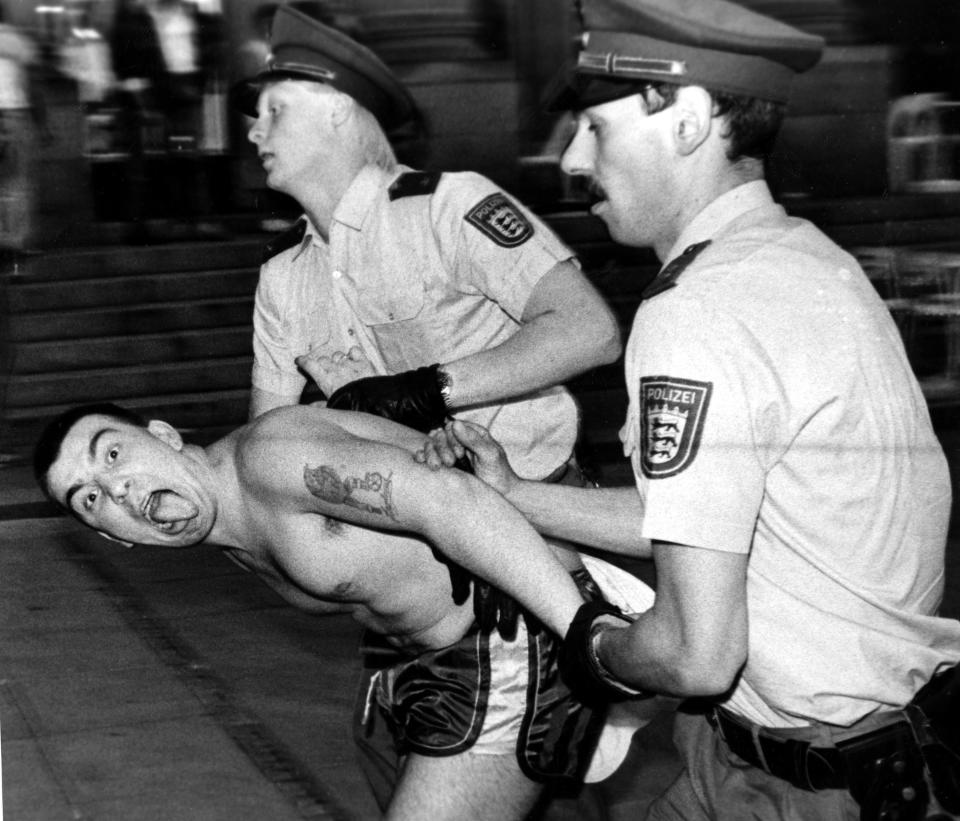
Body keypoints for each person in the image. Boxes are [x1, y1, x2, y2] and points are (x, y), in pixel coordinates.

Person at [419, 1, 960, 819]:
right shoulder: (806, 258)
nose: (570, 159)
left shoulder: (698, 308)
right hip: (795, 750)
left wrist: (590, 644)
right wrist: (512, 497)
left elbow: (694, 654)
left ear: (690, 120)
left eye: (594, 129)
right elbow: (710, 508)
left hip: (802, 786)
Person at [34, 401, 659, 821]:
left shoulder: (266, 460)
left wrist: (580, 628)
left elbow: (447, 497)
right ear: (116, 537)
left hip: (519, 630)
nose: (116, 490)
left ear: (165, 436)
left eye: (112, 455)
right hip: (439, 664)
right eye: (90, 499)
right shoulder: (225, 524)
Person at [231, 4, 620, 490]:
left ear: (336, 109)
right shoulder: (283, 273)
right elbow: (269, 441)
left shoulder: (448, 207)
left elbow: (589, 331)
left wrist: (423, 394)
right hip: (409, 534)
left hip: (539, 506)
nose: (254, 131)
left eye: (275, 110)